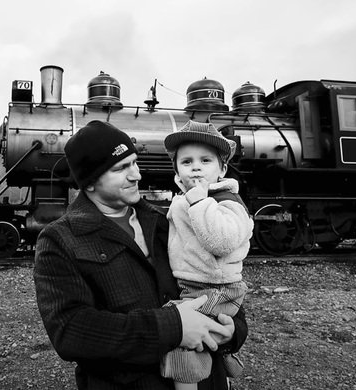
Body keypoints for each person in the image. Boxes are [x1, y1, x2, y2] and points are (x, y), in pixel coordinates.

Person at [33, 120, 248, 390]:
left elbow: (220, 279)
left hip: (207, 379)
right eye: (121, 168)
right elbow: (71, 332)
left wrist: (232, 332)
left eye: (134, 163)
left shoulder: (165, 220)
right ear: (89, 183)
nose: (136, 175)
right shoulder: (60, 240)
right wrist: (173, 327)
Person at [161, 120, 254, 390]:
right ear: (177, 170)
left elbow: (221, 241)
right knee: (194, 334)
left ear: (222, 168)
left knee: (181, 339)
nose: (196, 167)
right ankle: (223, 365)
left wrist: (200, 201)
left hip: (216, 287)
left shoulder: (226, 201)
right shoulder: (187, 197)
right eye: (187, 161)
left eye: (206, 160)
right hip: (196, 284)